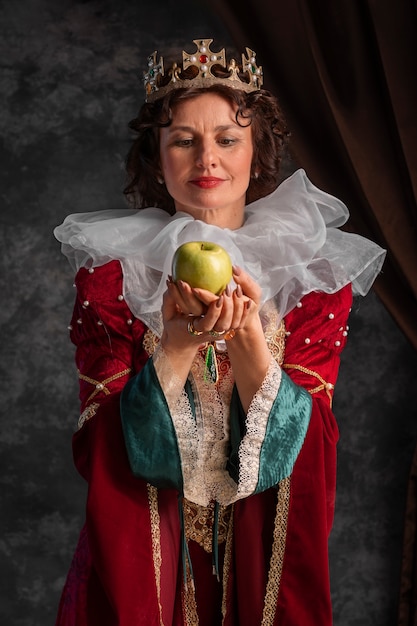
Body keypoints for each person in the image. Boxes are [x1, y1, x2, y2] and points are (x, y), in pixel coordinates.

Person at [54, 38, 386, 626]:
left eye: (227, 139)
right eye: (183, 140)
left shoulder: (313, 280)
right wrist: (176, 347)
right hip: (148, 563)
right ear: (158, 159)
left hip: (257, 559)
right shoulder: (113, 278)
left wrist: (252, 342)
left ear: (256, 152)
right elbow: (97, 443)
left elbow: (311, 443)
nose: (207, 159)